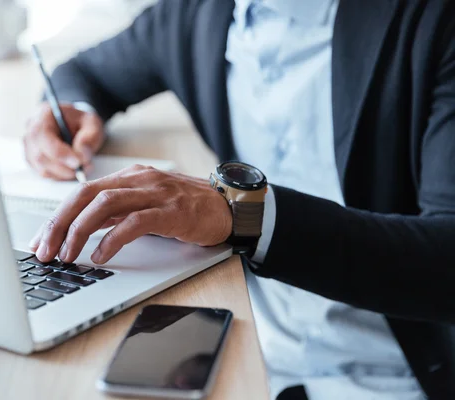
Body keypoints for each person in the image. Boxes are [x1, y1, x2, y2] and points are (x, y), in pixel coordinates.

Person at [23, 1, 455, 399]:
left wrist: (241, 215)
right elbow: (88, 73)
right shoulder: (203, 11)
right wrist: (66, 112)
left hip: (396, 372)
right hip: (244, 343)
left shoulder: (434, 21)